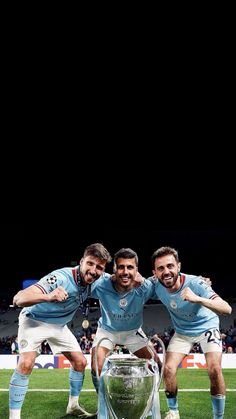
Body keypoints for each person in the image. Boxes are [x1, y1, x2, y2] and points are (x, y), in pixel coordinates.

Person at [8, 243, 112, 419]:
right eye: (90, 264)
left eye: (99, 267)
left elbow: (121, 278)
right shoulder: (60, 277)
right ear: (81, 262)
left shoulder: (98, 280)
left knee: (80, 362)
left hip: (59, 326)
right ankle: (14, 416)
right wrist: (48, 296)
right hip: (34, 320)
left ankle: (73, 406)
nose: (94, 270)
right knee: (26, 363)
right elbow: (19, 298)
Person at [150, 246, 232, 419]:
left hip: (206, 327)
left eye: (170, 266)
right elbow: (134, 282)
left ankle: (219, 417)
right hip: (182, 332)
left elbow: (226, 308)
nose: (166, 271)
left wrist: (197, 298)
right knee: (169, 369)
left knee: (214, 369)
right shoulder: (155, 285)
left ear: (179, 266)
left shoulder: (196, 283)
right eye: (161, 268)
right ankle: (173, 412)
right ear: (155, 272)